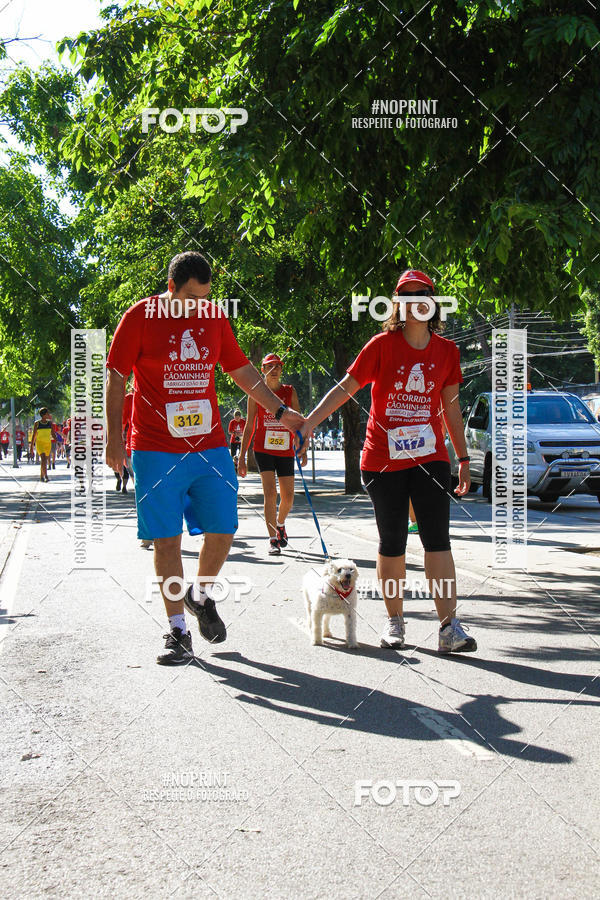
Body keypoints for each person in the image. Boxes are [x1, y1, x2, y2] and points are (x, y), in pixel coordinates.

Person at [105, 251, 305, 665]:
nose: (198, 305)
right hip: (155, 447)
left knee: (223, 528)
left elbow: (242, 371)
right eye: (191, 297)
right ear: (171, 286)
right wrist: (113, 438)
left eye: (205, 297)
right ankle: (177, 630)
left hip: (209, 445)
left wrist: (280, 412)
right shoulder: (139, 317)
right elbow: (116, 375)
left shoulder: (213, 318)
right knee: (166, 539)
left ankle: (200, 593)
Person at [300, 268, 476, 655]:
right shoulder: (380, 345)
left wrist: (462, 457)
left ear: (433, 302)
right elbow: (347, 387)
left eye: (423, 294)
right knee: (392, 542)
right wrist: (311, 422)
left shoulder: (447, 352)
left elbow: (451, 407)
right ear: (398, 304)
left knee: (438, 542)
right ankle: (395, 622)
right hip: (383, 459)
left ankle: (449, 628)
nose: (415, 301)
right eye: (407, 295)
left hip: (430, 457)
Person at [238, 353, 307, 556]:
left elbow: (299, 423)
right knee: (270, 494)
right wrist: (242, 456)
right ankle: (272, 539)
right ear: (263, 369)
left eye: (278, 366)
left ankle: (280, 523)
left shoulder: (289, 391)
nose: (275, 370)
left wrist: (303, 448)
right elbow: (250, 426)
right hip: (263, 449)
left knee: (288, 497)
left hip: (285, 450)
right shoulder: (256, 393)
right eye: (270, 366)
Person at [30, 409, 55, 482]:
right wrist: (31, 447)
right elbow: (34, 435)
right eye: (47, 414)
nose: (49, 415)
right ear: (44, 415)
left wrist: (58, 441)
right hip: (40, 443)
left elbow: (53, 433)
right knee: (43, 459)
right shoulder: (37, 423)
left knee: (44, 460)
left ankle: (41, 476)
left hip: (48, 444)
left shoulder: (50, 423)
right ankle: (46, 476)